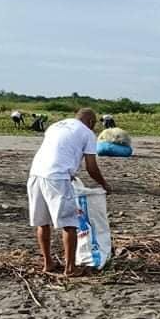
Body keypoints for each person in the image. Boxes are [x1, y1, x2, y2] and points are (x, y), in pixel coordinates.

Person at [28, 108, 113, 275]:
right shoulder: (87, 133)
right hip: (57, 177)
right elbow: (91, 168)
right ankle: (70, 268)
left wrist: (70, 173)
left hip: (36, 174)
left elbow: (59, 151)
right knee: (70, 223)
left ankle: (48, 264)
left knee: (42, 222)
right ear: (90, 122)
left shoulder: (55, 126)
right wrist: (104, 184)